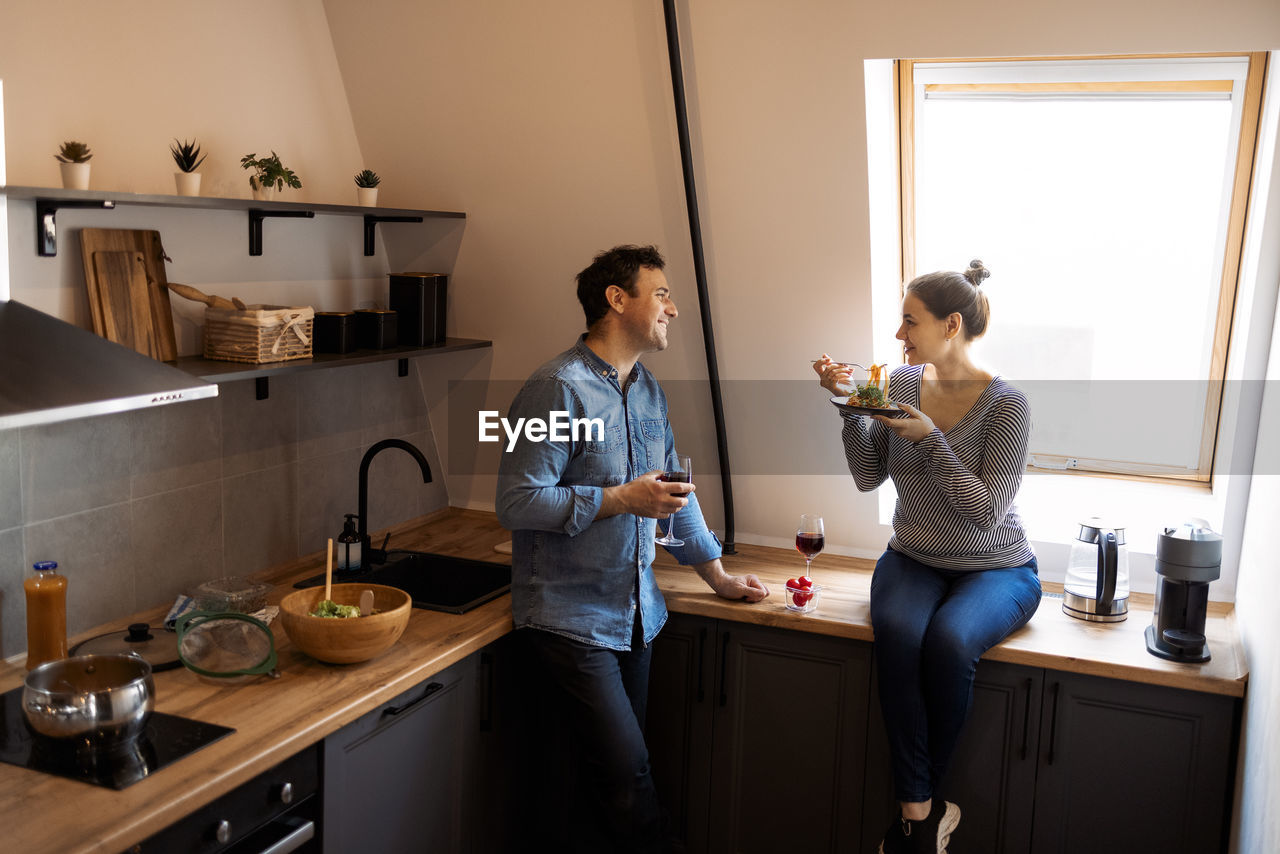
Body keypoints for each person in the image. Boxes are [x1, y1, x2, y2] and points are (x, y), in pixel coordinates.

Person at [496, 244, 768, 852]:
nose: (673, 308)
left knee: (607, 786)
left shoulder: (647, 391)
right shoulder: (552, 390)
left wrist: (718, 577)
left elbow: (675, 490)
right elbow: (516, 503)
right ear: (617, 301)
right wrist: (618, 500)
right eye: (662, 293)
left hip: (639, 618)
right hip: (568, 620)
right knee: (628, 780)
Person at [814, 260, 1041, 854]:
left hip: (996, 568)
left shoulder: (1007, 407)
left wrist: (930, 440)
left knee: (948, 642)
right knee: (897, 632)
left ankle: (915, 818)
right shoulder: (902, 386)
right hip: (914, 558)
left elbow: (983, 512)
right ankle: (922, 813)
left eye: (910, 322)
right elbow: (867, 477)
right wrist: (848, 407)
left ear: (951, 325)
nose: (899, 336)